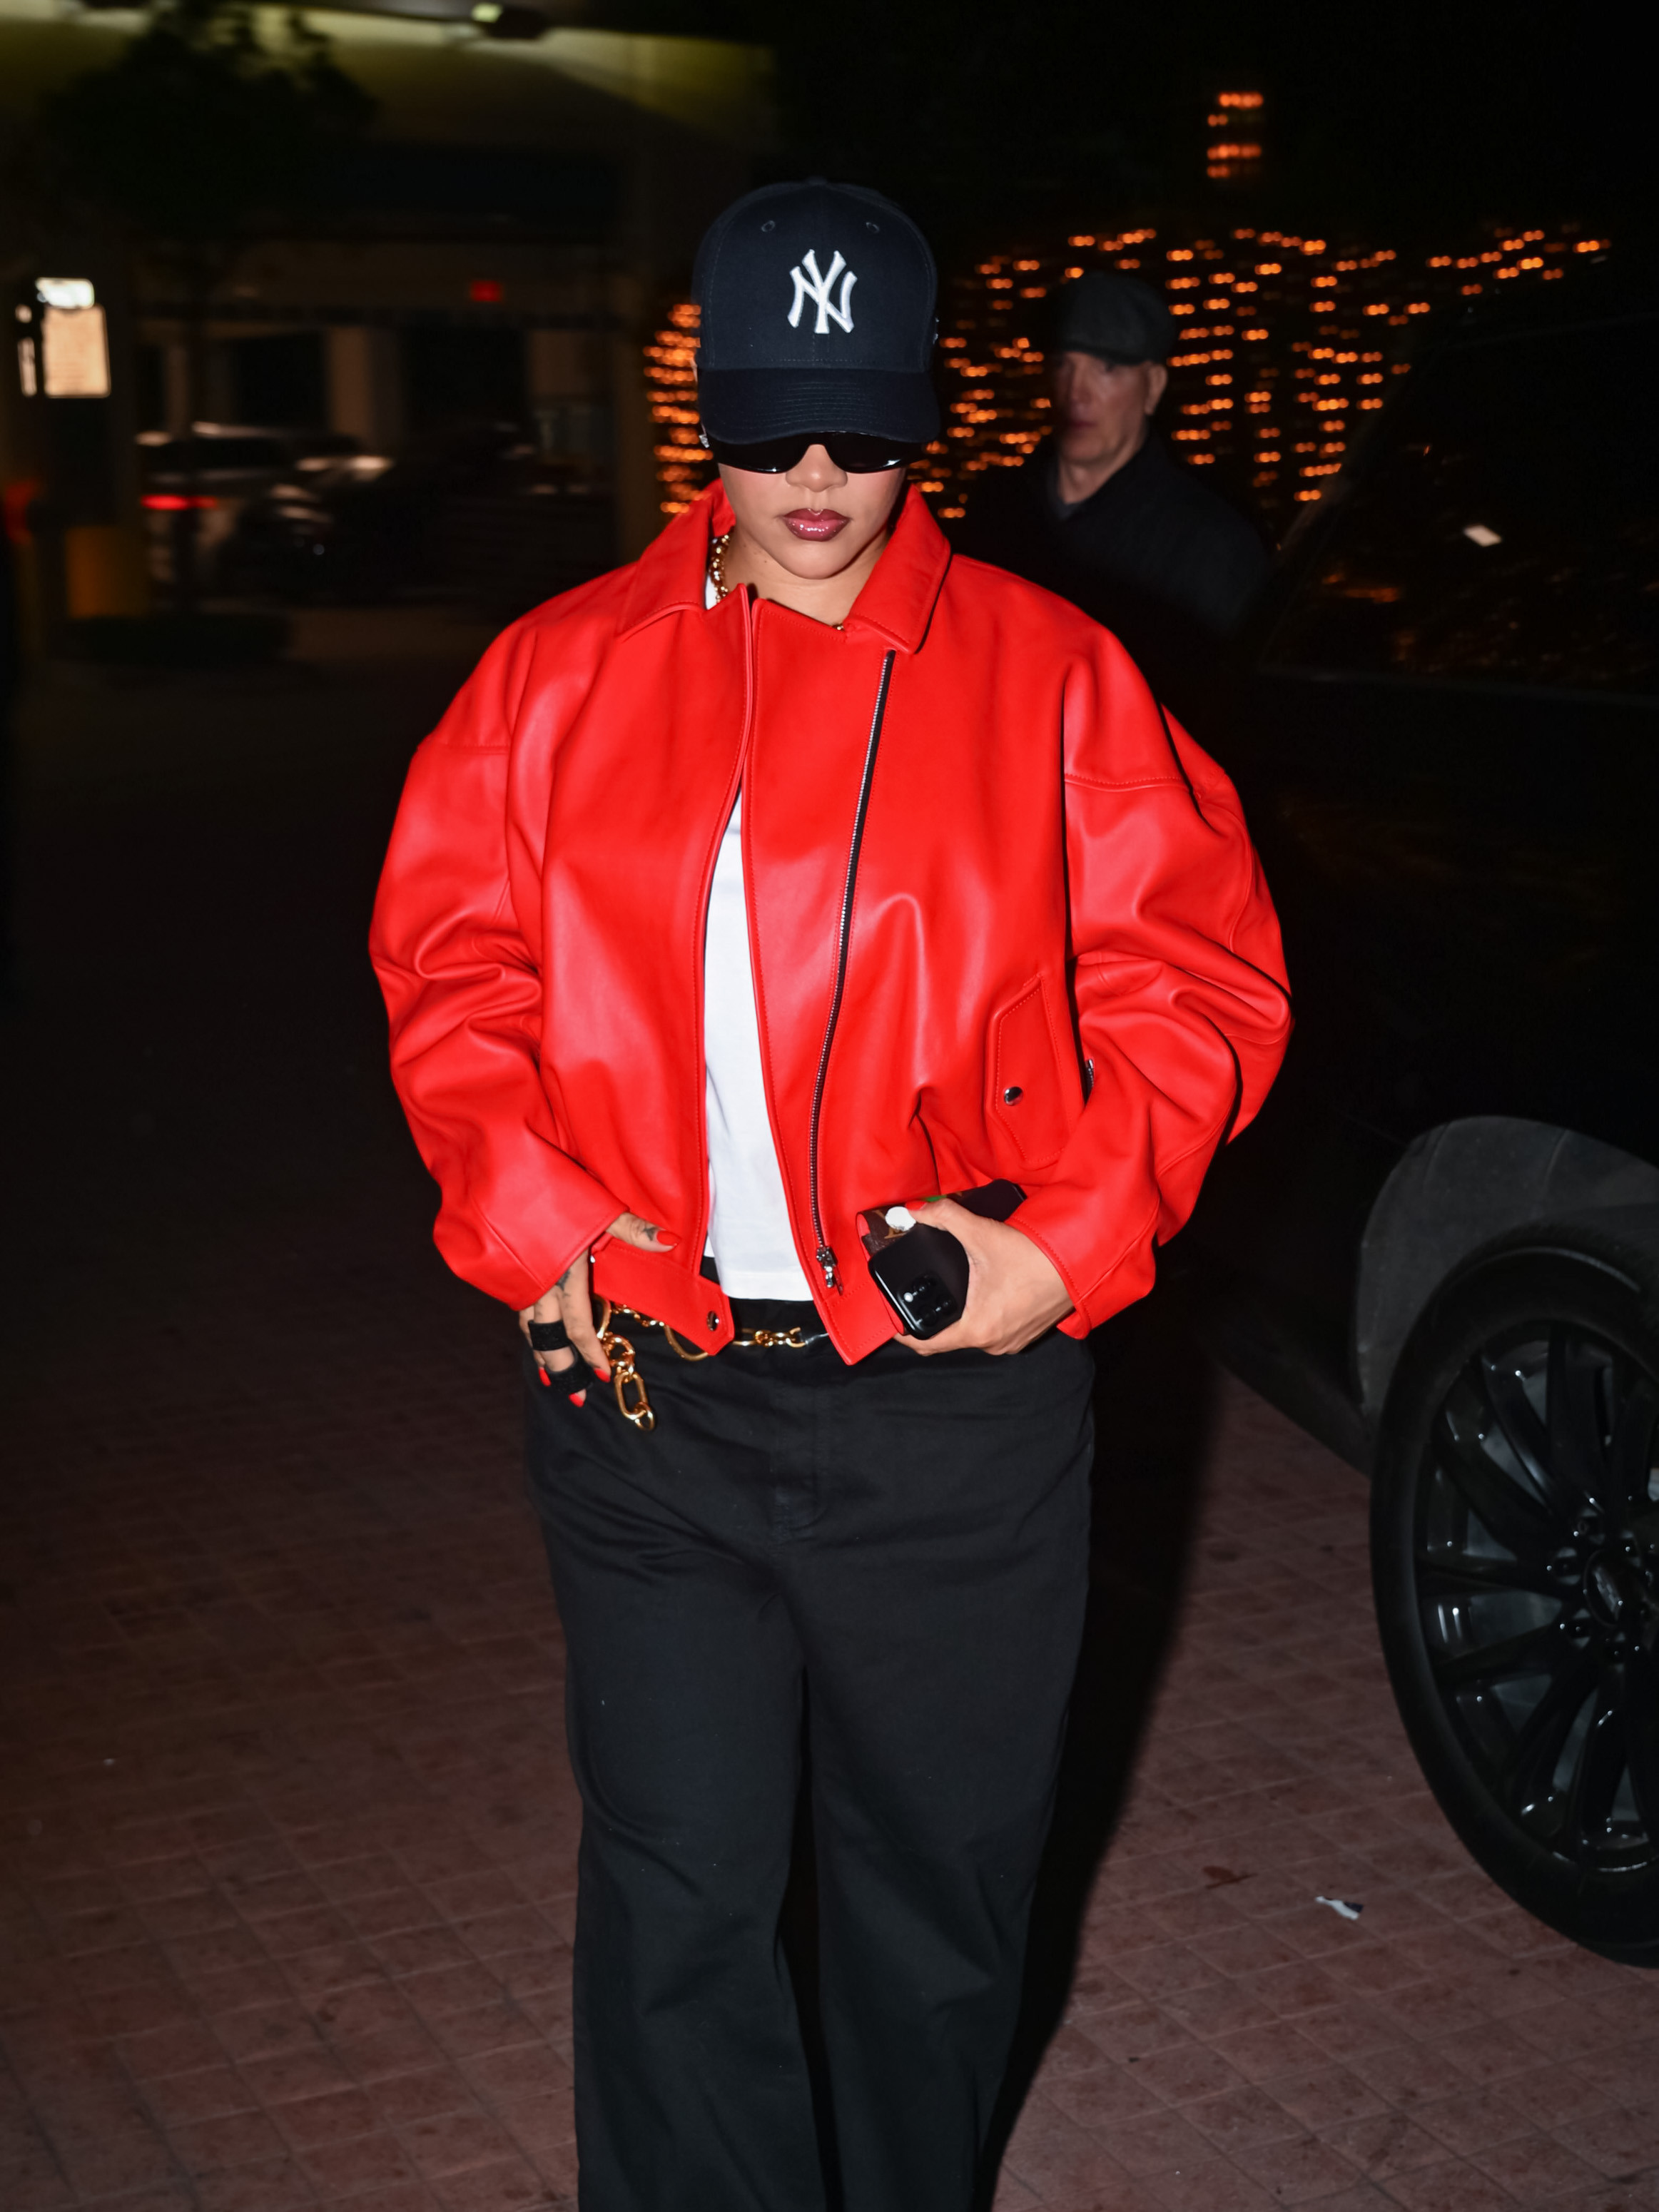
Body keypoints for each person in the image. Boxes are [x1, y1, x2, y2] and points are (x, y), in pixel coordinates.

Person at [370, 178, 1291, 2212]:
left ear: (921, 419)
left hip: (948, 1415)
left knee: (931, 1912)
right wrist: (537, 1217)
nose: (812, 477)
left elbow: (1196, 981)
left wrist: (1063, 1239)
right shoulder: (553, 675)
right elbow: (455, 968)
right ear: (707, 412)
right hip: (651, 1405)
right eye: (770, 426)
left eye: (859, 429)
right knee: (676, 1902)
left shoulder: (1053, 676)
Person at [956, 270, 1270, 720]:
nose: (1077, 393)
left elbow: (1226, 713)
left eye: (1107, 369)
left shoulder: (1213, 543)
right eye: (1063, 364)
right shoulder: (997, 512)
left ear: (1153, 386)